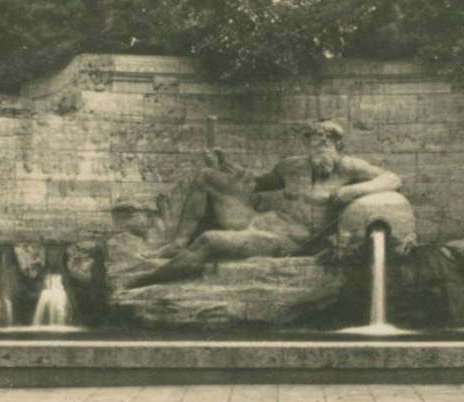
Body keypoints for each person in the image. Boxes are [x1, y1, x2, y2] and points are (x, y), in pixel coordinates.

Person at [122, 119, 402, 289]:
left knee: (208, 239)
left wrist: (354, 191)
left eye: (327, 141)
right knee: (207, 177)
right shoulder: (291, 166)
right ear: (307, 143)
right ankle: (178, 243)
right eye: (315, 140)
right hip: (257, 222)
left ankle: (141, 281)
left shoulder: (351, 168)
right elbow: (252, 182)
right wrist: (223, 164)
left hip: (288, 241)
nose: (320, 145)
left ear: (339, 146)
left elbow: (392, 178)